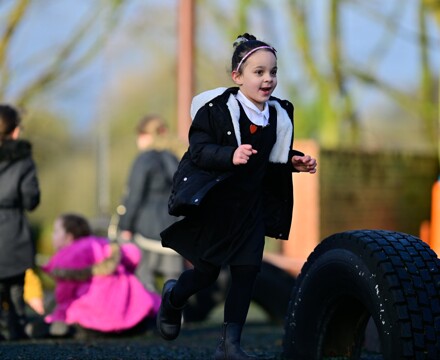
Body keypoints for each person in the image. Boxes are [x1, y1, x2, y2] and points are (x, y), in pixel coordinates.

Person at [157, 33, 318, 359]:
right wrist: (229, 156)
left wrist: (293, 160)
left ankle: (230, 346)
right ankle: (174, 297)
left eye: (273, 72)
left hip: (251, 210)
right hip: (218, 205)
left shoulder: (277, 116)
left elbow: (273, 157)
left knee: (247, 273)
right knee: (207, 273)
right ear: (237, 76)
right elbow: (199, 152)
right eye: (258, 72)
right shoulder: (217, 111)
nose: (268, 79)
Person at [31, 213, 160, 339]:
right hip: (128, 311)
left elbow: (65, 294)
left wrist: (57, 315)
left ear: (69, 237)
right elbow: (133, 254)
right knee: (144, 306)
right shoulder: (103, 243)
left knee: (72, 313)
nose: (53, 235)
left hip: (94, 315)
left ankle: (66, 329)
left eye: (56, 231)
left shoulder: (70, 253)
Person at [117, 115, 184, 292]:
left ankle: (149, 315)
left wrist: (125, 226)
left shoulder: (144, 160)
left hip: (147, 231)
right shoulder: (177, 158)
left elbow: (134, 195)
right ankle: (176, 318)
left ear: (147, 135)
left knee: (144, 280)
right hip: (174, 230)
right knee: (174, 283)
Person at [0, 104, 40, 341]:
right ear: (15, 131)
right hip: (13, 232)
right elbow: (30, 200)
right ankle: (17, 330)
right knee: (16, 289)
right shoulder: (23, 161)